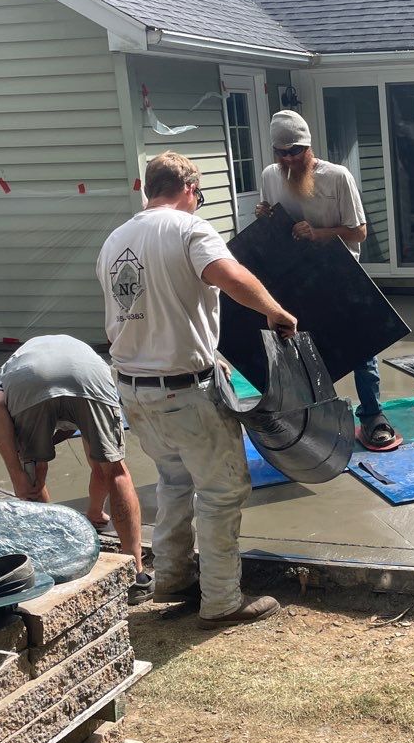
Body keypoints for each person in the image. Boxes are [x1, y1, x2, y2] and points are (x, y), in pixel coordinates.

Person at [98, 151, 296, 628]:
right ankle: (223, 599)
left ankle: (170, 578)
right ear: (189, 190)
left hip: (134, 391)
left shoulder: (114, 241)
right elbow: (227, 276)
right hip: (183, 391)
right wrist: (274, 311)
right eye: (200, 195)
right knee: (222, 491)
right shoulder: (189, 229)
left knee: (174, 482)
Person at [255, 111, 397, 451]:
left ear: (309, 145)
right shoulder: (271, 176)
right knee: (299, 351)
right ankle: (310, 420)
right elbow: (275, 226)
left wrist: (320, 233)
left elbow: (360, 231)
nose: (288, 158)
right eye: (281, 152)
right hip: (297, 278)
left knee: (361, 348)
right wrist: (264, 218)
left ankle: (373, 415)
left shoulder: (337, 177)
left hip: (341, 275)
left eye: (295, 150)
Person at [0, 334, 151, 601]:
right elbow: (99, 467)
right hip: (87, 375)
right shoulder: (78, 352)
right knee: (114, 470)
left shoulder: (11, 368)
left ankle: (54, 562)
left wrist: (18, 472)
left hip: (30, 381)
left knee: (33, 476)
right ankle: (137, 575)